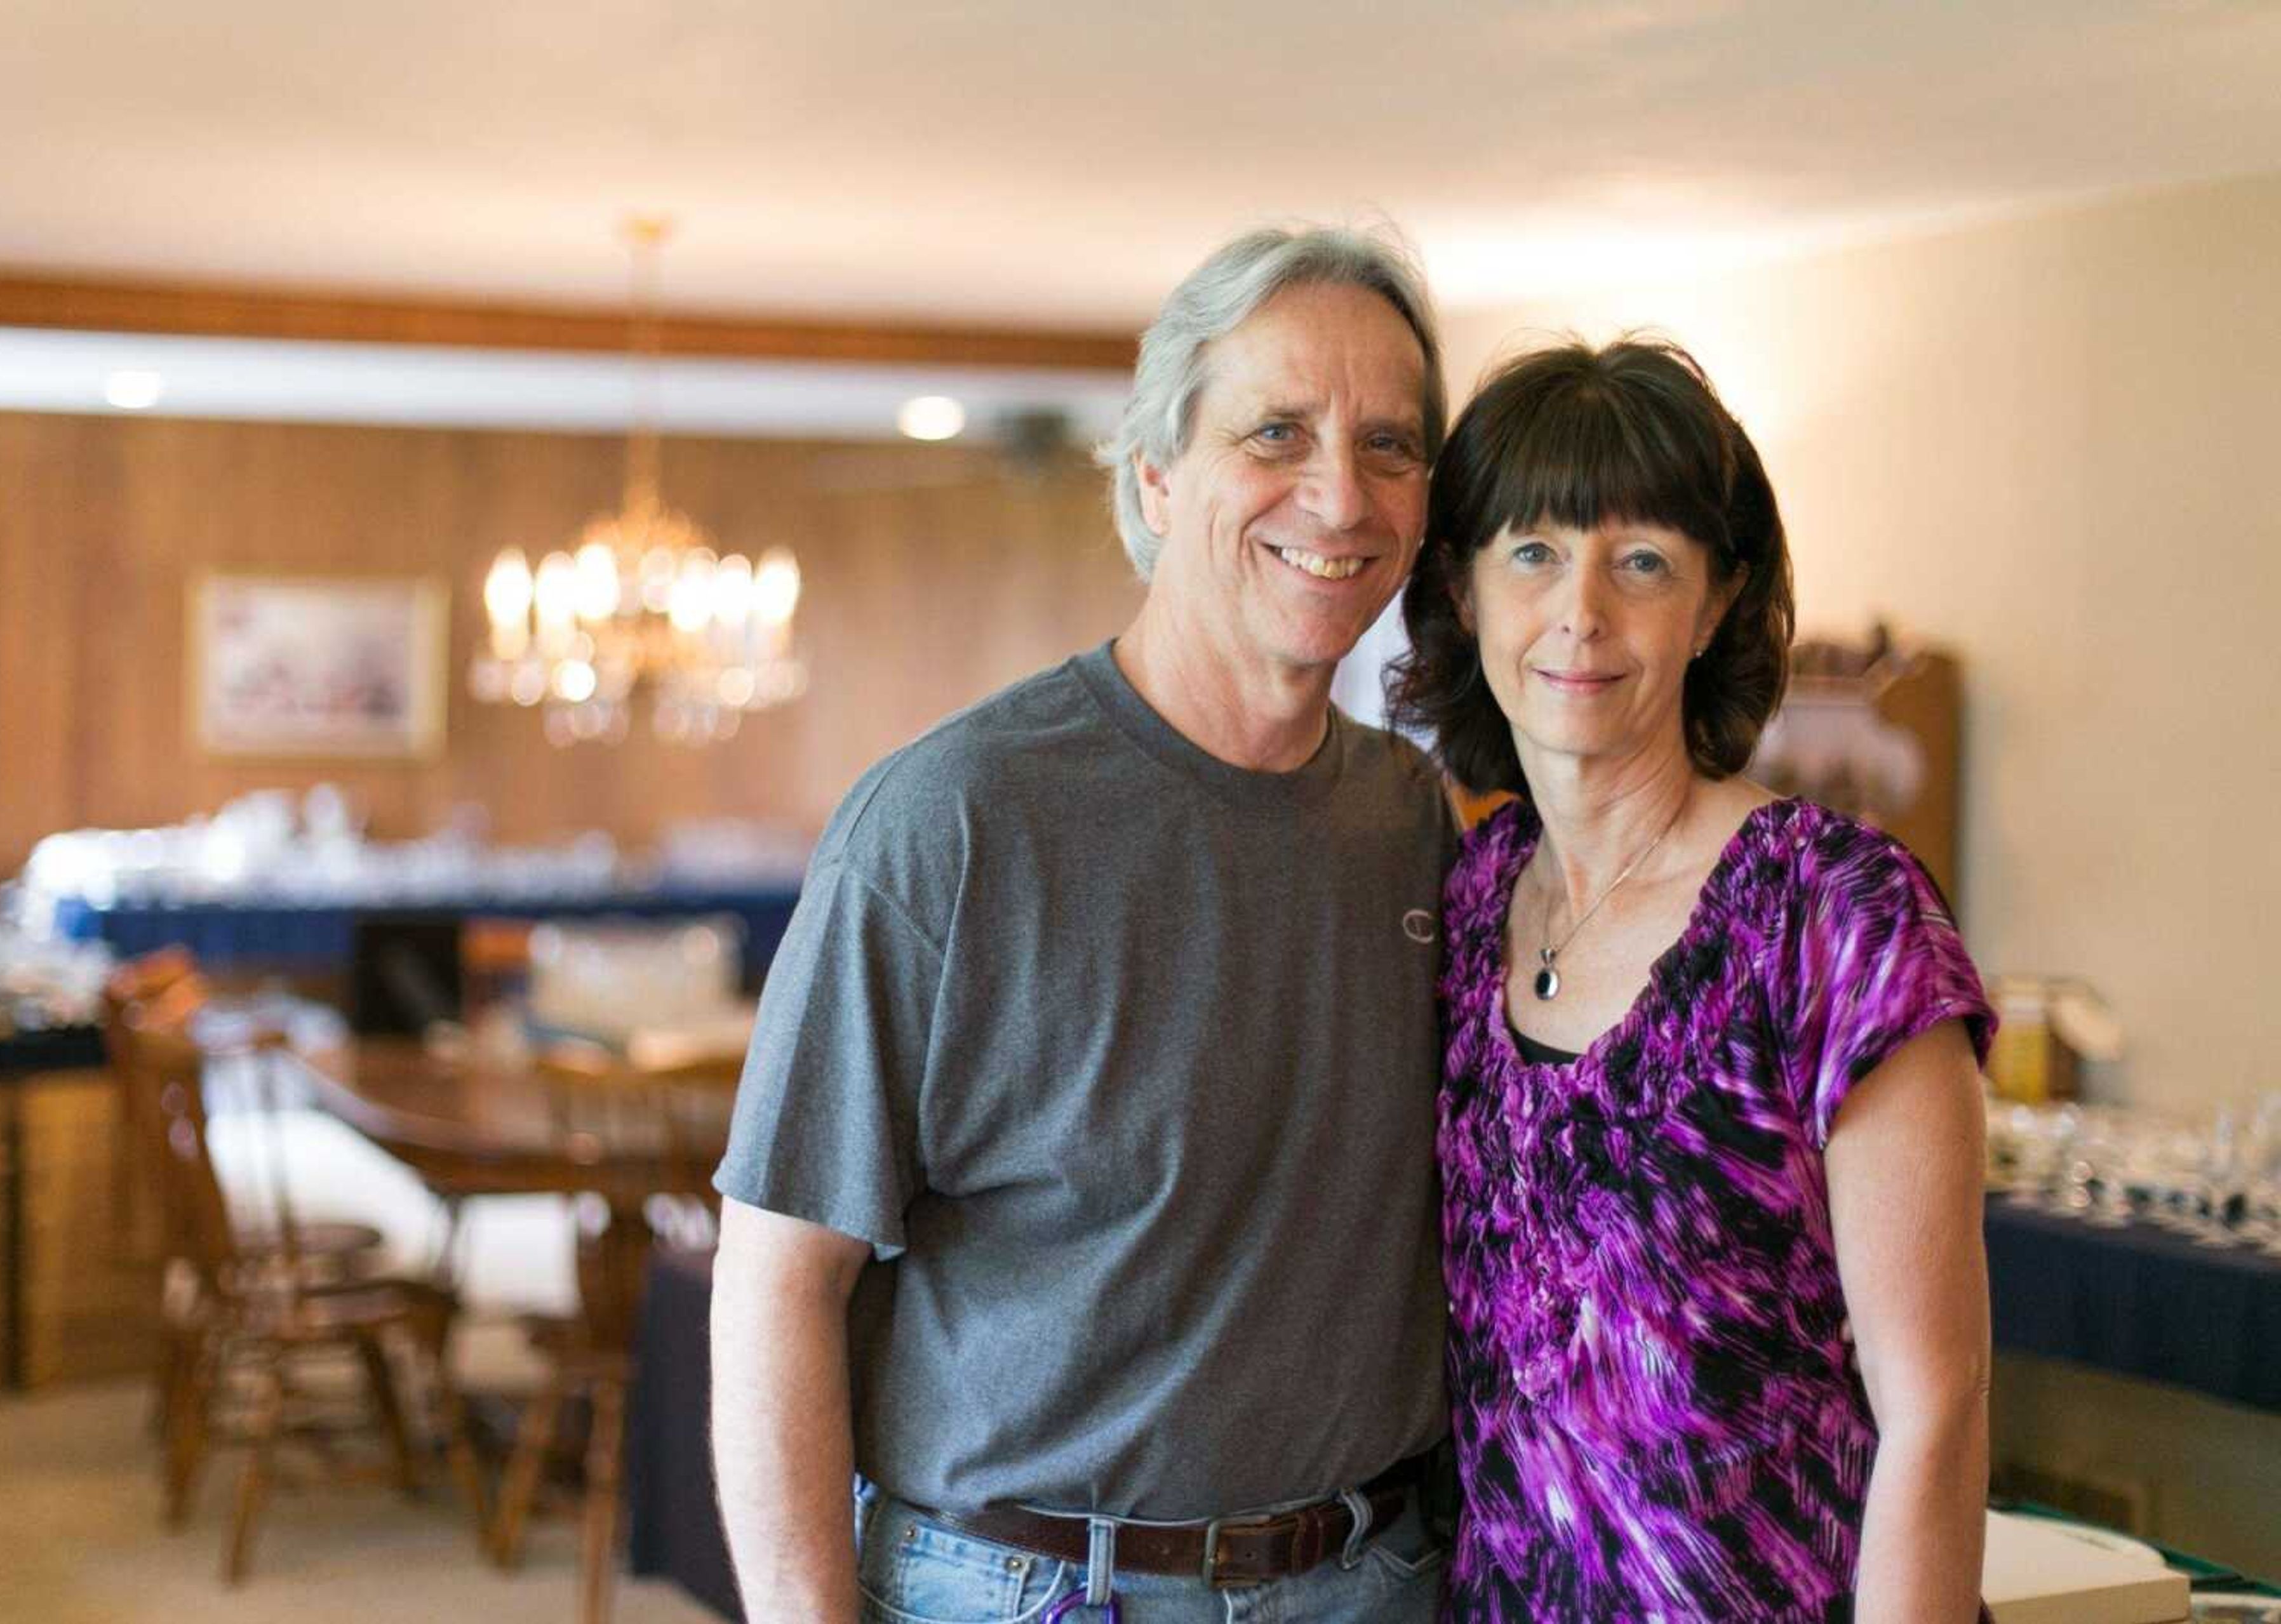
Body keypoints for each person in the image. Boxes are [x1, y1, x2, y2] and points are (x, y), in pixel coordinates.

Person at [709, 224, 1460, 1624]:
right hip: (1028, 1587)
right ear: (1160, 475)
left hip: (1376, 1580)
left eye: (1393, 446)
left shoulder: (1417, 822)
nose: (1340, 494)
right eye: (1278, 431)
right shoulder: (948, 823)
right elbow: (773, 1285)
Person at [1389, 338, 1995, 1623]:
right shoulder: (1470, 890)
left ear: (1718, 602)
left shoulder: (1837, 917)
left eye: (1645, 562)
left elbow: (1935, 1406)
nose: (1582, 613)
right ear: (1466, 589)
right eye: (1535, 553)